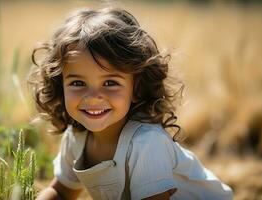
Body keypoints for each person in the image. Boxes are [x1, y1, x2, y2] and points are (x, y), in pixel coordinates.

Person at [28, 7, 233, 200]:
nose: (92, 96)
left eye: (110, 83)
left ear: (136, 88)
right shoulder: (76, 138)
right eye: (78, 83)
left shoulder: (146, 143)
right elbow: (61, 193)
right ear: (60, 85)